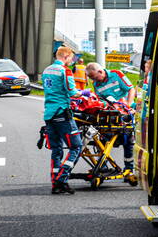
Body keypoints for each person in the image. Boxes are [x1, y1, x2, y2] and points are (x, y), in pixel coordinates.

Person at [42, 46, 83, 195]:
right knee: (76, 147)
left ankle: (56, 183)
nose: (72, 61)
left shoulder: (46, 70)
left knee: (56, 150)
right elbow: (72, 92)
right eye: (71, 58)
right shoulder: (64, 70)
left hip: (49, 114)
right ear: (65, 56)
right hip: (62, 114)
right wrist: (83, 93)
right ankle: (62, 178)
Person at [86, 62, 137, 172]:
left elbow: (131, 89)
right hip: (111, 114)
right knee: (103, 140)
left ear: (100, 72)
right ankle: (102, 166)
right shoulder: (96, 84)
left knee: (127, 141)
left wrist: (127, 106)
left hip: (126, 113)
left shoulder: (117, 74)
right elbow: (100, 100)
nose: (94, 81)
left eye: (95, 78)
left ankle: (129, 168)